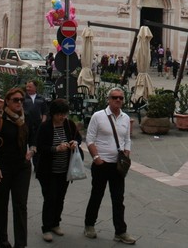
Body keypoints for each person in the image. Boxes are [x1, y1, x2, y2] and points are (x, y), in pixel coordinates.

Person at [84, 87, 135, 244]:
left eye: (120, 97)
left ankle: (120, 231)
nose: (118, 100)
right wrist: (97, 158)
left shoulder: (126, 118)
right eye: (114, 97)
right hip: (102, 164)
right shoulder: (98, 116)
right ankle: (89, 225)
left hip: (118, 166)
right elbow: (90, 139)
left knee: (118, 199)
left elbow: (127, 138)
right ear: (109, 99)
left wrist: (127, 153)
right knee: (97, 195)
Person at [0, 87, 33, 248]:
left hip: (22, 167)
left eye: (21, 100)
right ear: (7, 101)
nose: (19, 103)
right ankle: (3, 240)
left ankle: (21, 243)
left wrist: (33, 149)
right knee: (1, 204)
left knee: (20, 205)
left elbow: (33, 136)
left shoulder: (25, 118)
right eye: (15, 100)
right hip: (2, 167)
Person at [35, 98, 82, 242]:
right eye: (59, 114)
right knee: (50, 198)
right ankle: (47, 228)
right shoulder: (45, 127)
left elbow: (78, 138)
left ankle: (56, 223)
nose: (62, 117)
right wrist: (55, 148)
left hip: (64, 170)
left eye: (64, 114)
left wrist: (75, 143)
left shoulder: (69, 125)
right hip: (48, 170)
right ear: (53, 114)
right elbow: (40, 147)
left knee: (60, 198)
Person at [23, 79, 48, 167]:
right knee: (23, 144)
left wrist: (43, 121)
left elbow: (45, 112)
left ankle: (36, 164)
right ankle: (24, 162)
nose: (28, 88)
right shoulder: (23, 98)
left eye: (30, 87)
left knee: (35, 145)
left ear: (35, 87)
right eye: (27, 87)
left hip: (38, 126)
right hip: (26, 125)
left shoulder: (41, 99)